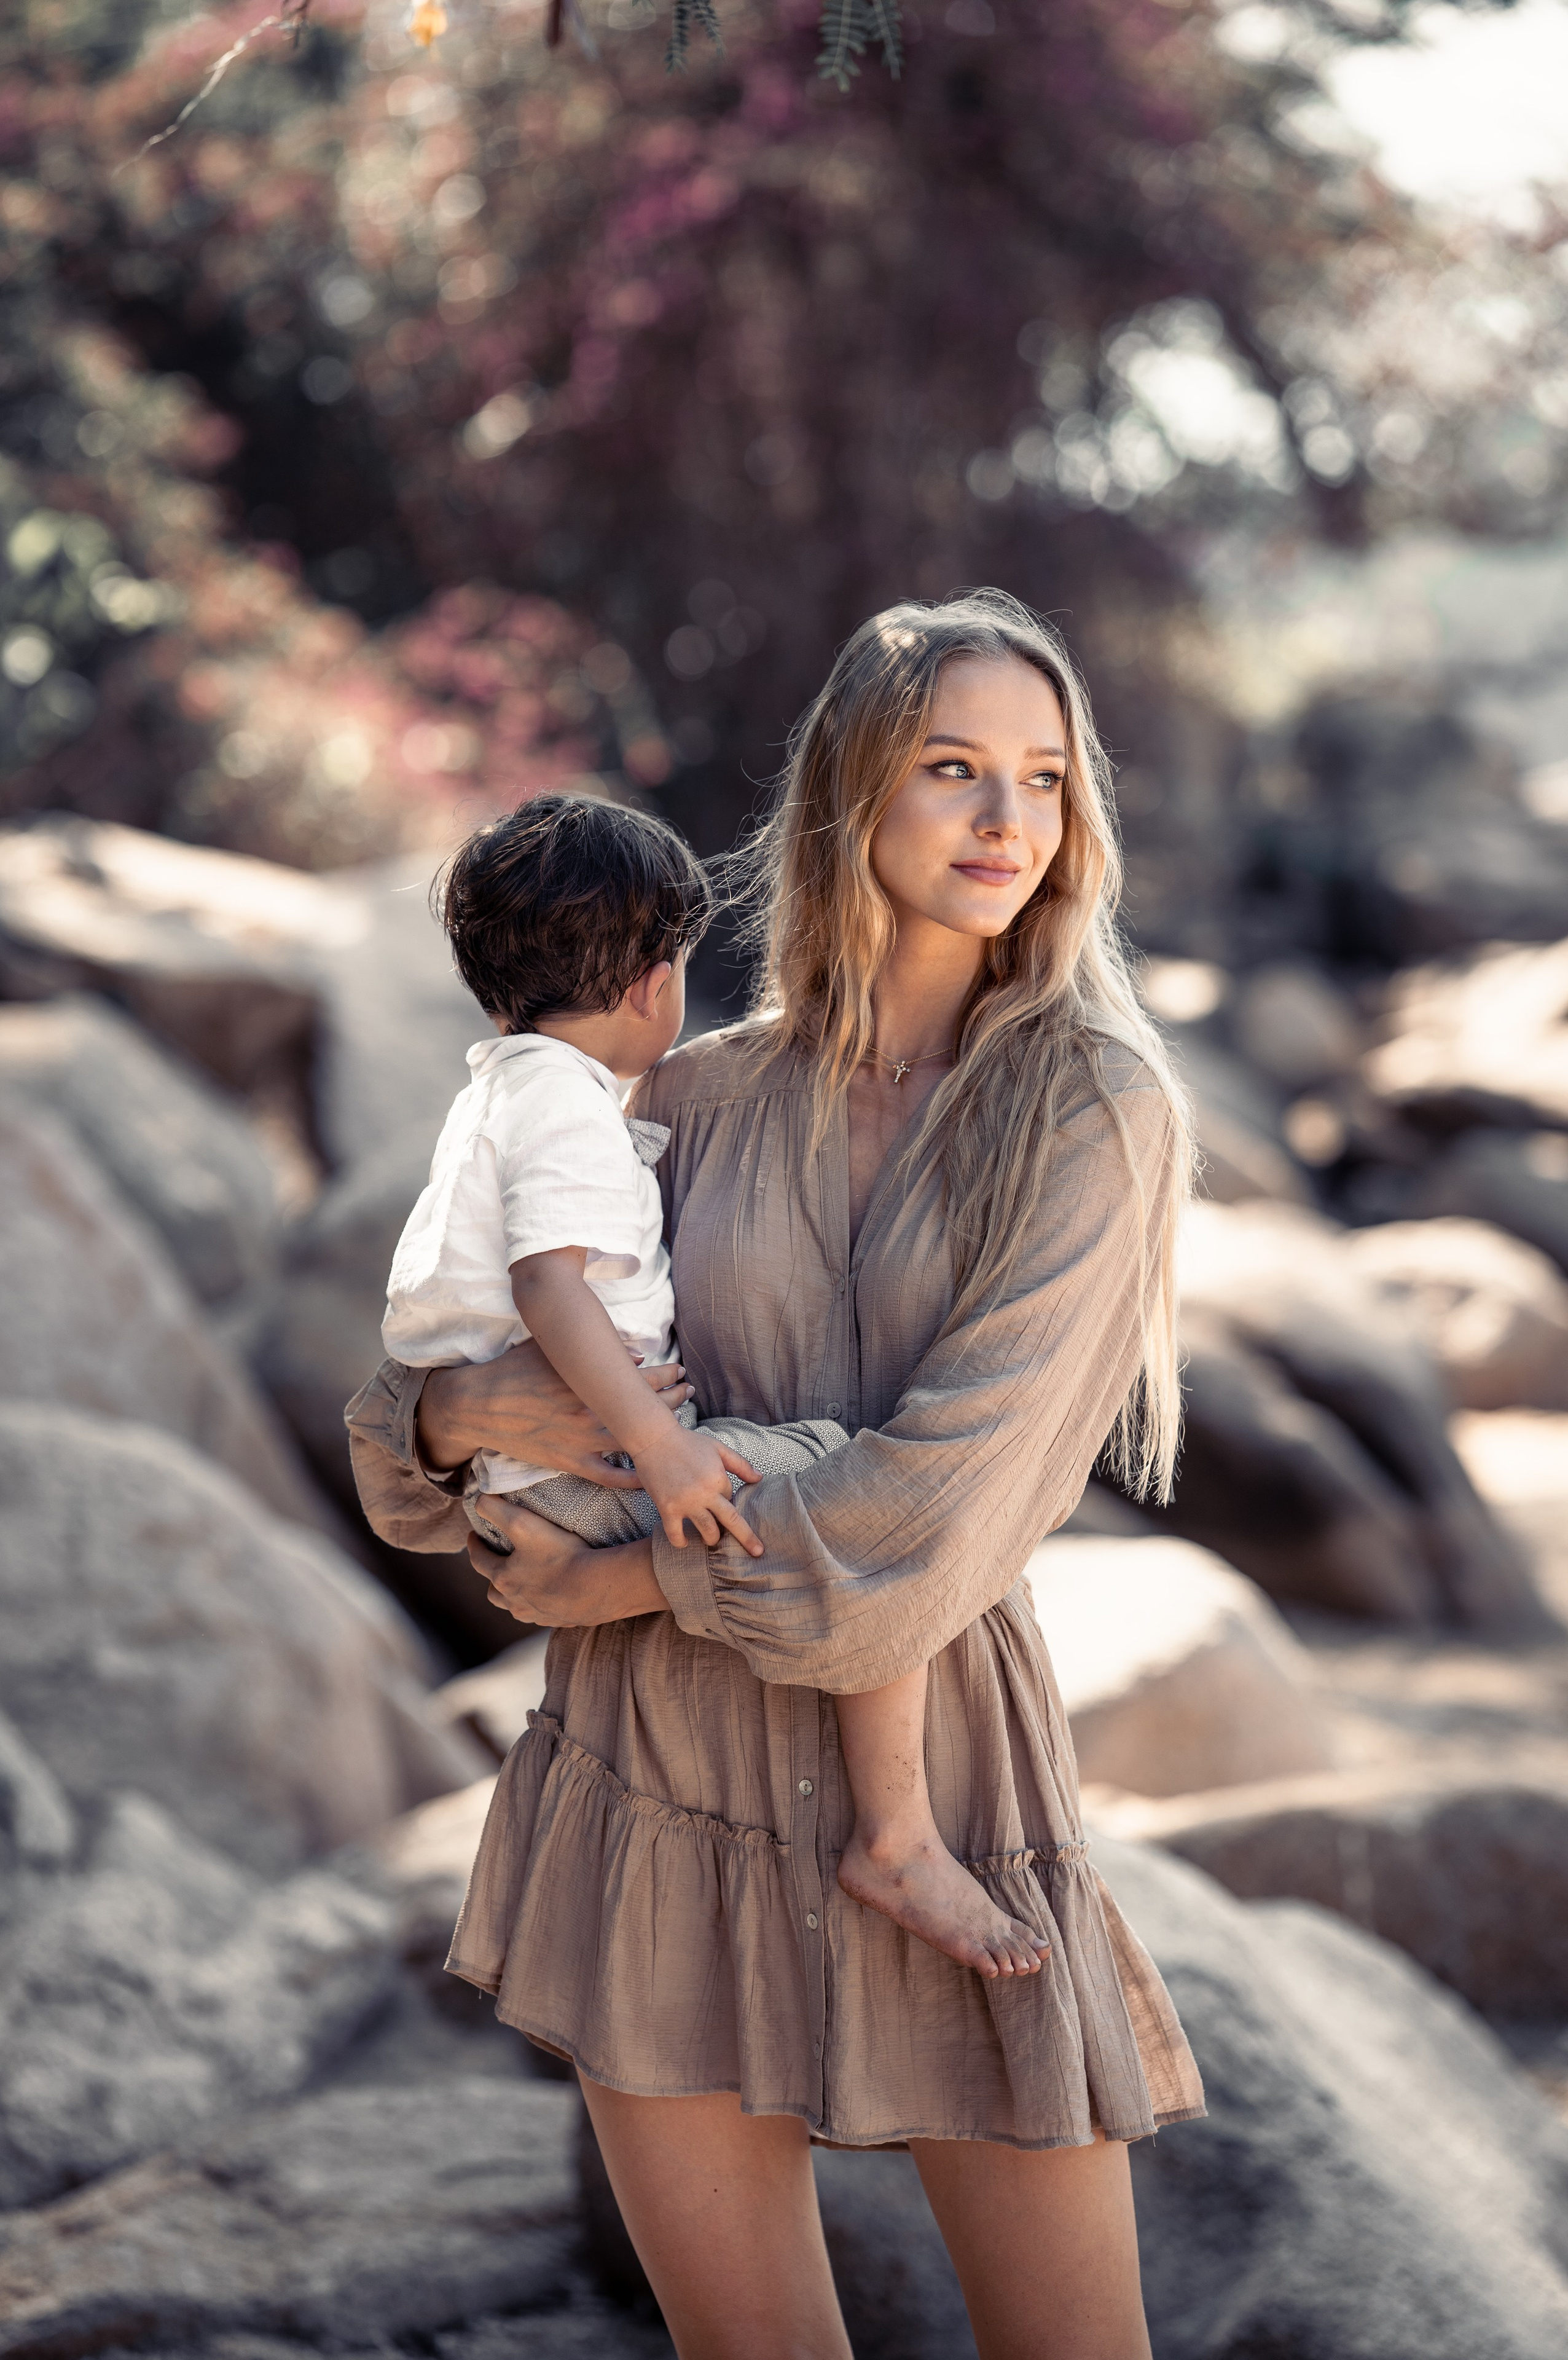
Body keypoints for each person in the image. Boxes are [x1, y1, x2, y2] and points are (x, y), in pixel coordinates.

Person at [348, 589, 1205, 2360]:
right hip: (652, 1778)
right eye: (954, 769)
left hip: (940, 1785)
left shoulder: (1092, 1108)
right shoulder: (685, 1097)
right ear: (852, 797)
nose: (1003, 823)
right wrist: (461, 1423)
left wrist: (632, 1575)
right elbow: (420, 1416)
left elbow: (943, 1501)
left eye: (1042, 783)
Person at [381, 792, 1049, 1978]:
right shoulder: (572, 1109)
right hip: (587, 1471)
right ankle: (897, 1835)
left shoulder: (505, 1090)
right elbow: (551, 1288)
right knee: (846, 1490)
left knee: (823, 1484)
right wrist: (665, 1445)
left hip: (525, 1476)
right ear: (653, 982)